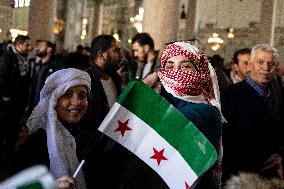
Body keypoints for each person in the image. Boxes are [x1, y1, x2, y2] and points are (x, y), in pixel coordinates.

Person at [135, 41, 223, 189]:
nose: (176, 72)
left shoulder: (206, 111)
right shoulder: (160, 99)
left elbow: (165, 127)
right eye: (169, 67)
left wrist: (142, 90)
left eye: (185, 67)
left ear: (199, 72)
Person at [13, 68, 93, 189]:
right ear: (53, 101)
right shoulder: (36, 143)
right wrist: (51, 186)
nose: (76, 102)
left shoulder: (90, 138)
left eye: (82, 95)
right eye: (67, 94)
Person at [221, 44, 284, 184]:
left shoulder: (277, 94)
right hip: (239, 177)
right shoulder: (230, 95)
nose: (266, 68)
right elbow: (225, 139)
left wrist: (279, 156)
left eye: (271, 64)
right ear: (250, 65)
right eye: (260, 62)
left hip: (270, 177)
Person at [0, 35, 33, 166]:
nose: (30, 48)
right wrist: (5, 96)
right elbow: (2, 76)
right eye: (27, 45)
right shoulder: (8, 57)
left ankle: (9, 155)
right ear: (19, 45)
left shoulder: (24, 59)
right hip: (7, 103)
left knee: (13, 131)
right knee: (4, 130)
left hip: (18, 102)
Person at [86, 34, 122, 127]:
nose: (118, 56)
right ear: (102, 55)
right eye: (115, 51)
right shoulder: (86, 79)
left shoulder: (116, 78)